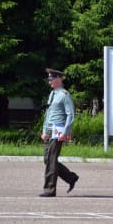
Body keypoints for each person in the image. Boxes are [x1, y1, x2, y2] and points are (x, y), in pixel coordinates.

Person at [40, 68, 79, 197]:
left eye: (51, 79)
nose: (49, 81)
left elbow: (70, 115)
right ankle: (70, 177)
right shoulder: (52, 94)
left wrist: (66, 131)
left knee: (51, 159)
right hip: (50, 129)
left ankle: (49, 189)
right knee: (48, 159)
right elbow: (48, 114)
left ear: (58, 79)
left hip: (58, 129)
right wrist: (44, 130)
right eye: (49, 79)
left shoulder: (64, 94)